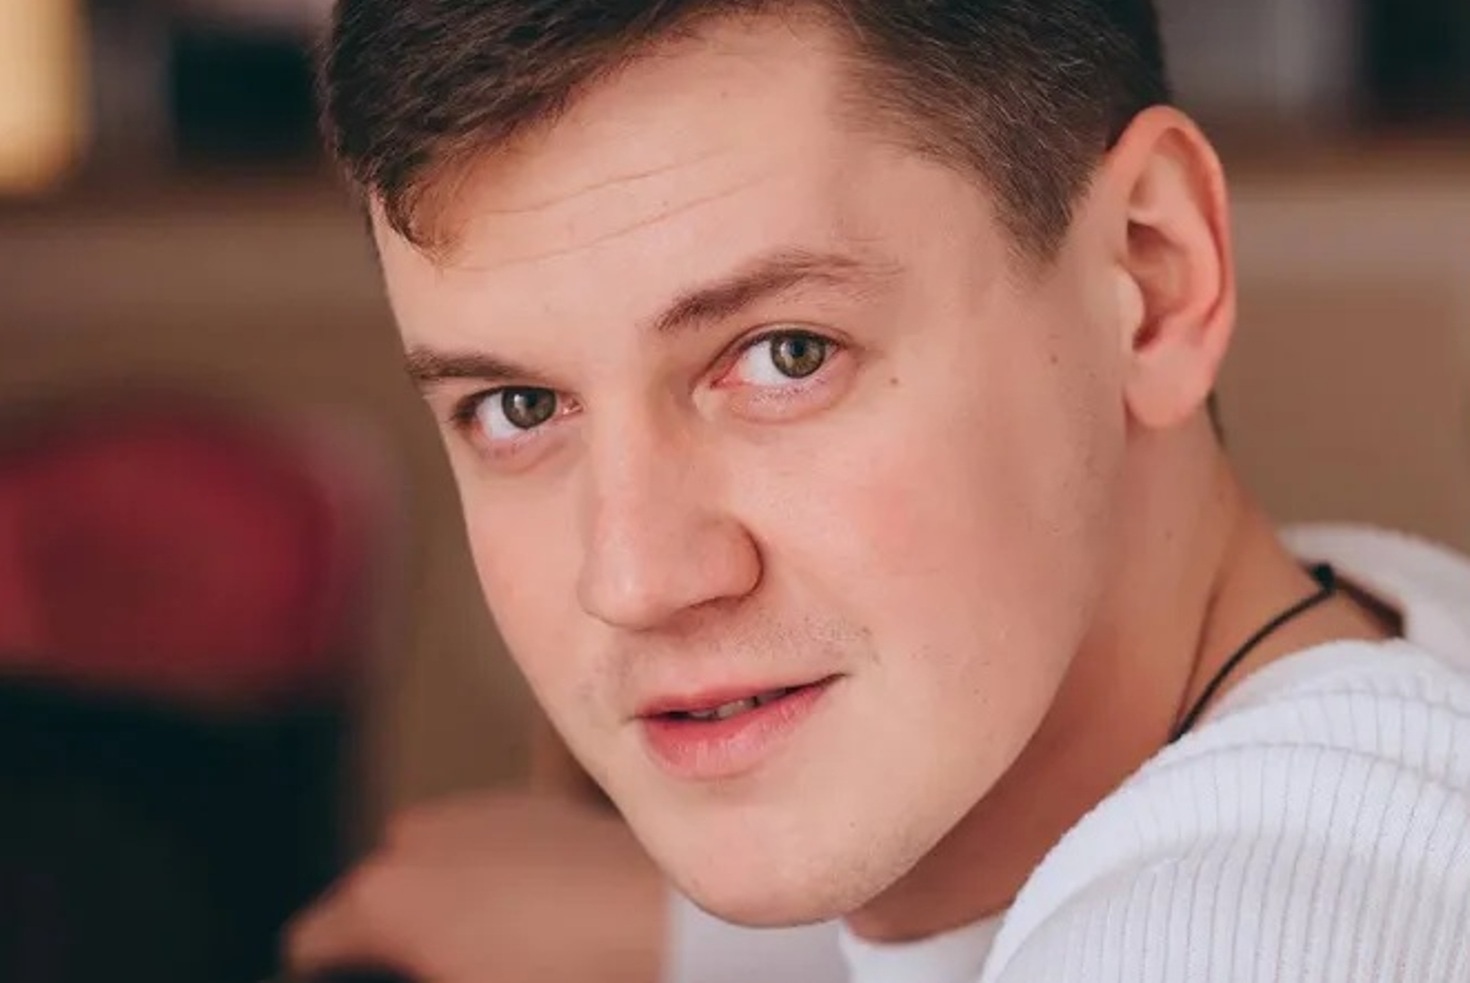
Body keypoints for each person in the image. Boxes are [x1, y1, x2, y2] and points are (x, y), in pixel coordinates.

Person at [287, 1, 1470, 980]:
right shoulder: (1375, 630)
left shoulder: (1228, 934)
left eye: (786, 354)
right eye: (518, 407)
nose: (635, 577)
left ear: (1151, 280)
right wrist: (702, 941)